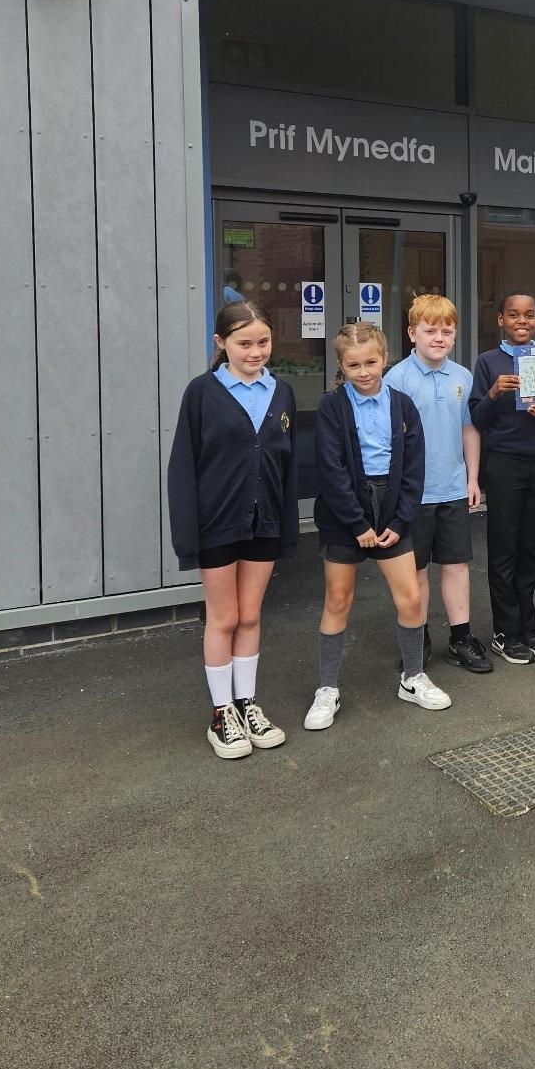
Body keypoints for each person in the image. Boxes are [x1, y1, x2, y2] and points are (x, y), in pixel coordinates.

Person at [167, 299, 298, 759]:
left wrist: (287, 526)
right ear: (221, 343)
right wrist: (187, 534)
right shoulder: (202, 393)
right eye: (244, 343)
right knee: (222, 617)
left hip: (263, 521)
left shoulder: (281, 392)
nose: (255, 351)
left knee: (250, 615)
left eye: (263, 341)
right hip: (217, 523)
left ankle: (247, 703)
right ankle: (222, 713)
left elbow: (287, 464)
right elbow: (183, 465)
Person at [305, 323, 451, 731]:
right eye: (354, 364)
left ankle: (413, 677)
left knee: (410, 600)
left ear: (386, 358)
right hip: (343, 513)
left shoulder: (403, 406)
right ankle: (328, 688)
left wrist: (399, 519)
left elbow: (413, 469)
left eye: (371, 362)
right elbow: (331, 470)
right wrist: (356, 524)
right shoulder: (332, 407)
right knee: (338, 600)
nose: (364, 371)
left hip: (391, 510)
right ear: (341, 365)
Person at [384, 296, 492, 673]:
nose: (439, 337)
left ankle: (461, 637)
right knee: (415, 569)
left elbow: (469, 429)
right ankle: (420, 636)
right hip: (412, 495)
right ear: (412, 333)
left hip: (452, 488)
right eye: (430, 330)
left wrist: (472, 478)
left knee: (457, 564)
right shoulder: (396, 379)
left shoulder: (464, 376)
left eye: (447, 331)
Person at [470, 291, 535, 665]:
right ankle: (504, 631)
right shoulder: (488, 362)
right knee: (503, 549)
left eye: (529, 315)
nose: (521, 321)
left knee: (531, 548)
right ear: (501, 320)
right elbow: (477, 419)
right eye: (513, 315)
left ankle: (528, 626)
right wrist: (495, 392)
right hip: (503, 464)